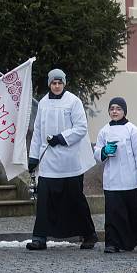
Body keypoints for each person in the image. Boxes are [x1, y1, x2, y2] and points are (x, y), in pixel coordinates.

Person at [27, 68, 98, 251]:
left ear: (64, 83)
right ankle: (39, 237)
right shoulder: (43, 103)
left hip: (69, 160)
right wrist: (33, 157)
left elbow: (81, 127)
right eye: (53, 83)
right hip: (48, 161)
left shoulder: (73, 101)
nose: (56, 86)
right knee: (44, 200)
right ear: (49, 84)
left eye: (59, 83)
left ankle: (89, 234)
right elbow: (37, 133)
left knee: (75, 199)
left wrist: (61, 138)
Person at [93, 97, 137, 253]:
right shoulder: (104, 131)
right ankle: (112, 243)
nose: (114, 111)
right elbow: (96, 152)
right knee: (113, 213)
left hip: (130, 179)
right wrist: (103, 152)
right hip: (112, 179)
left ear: (124, 111)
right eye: (112, 108)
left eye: (118, 109)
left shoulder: (133, 130)